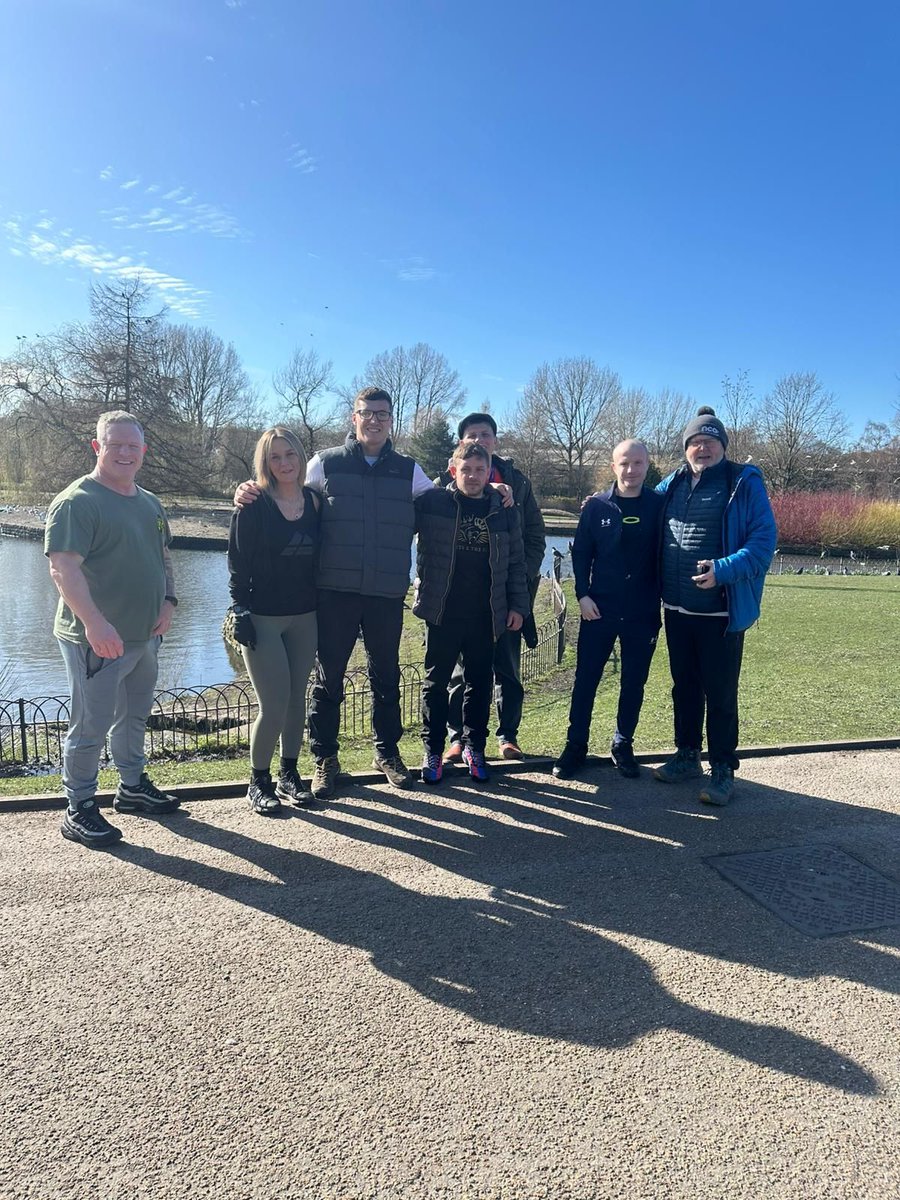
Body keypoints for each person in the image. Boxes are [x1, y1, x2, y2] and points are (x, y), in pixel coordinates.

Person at [234, 387, 434, 798]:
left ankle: (387, 752)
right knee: (329, 680)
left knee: (386, 677)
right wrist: (245, 491)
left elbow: (446, 506)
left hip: (384, 593)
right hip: (333, 593)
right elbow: (281, 491)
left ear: (391, 419)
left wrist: (496, 491)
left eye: (382, 413)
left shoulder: (409, 470)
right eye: (366, 413)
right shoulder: (324, 464)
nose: (374, 420)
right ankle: (324, 757)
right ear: (353, 417)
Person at [45, 410, 180, 848]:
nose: (124, 452)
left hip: (145, 634)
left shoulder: (150, 502)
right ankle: (79, 806)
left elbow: (163, 557)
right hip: (96, 639)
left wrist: (169, 601)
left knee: (134, 716)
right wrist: (95, 624)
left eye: (132, 446)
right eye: (115, 444)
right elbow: (63, 569)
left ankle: (132, 787)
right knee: (91, 724)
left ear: (144, 451)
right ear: (97, 447)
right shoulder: (77, 502)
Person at [653, 406, 776, 805]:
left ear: (722, 446)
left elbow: (762, 543)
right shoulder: (672, 483)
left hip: (720, 612)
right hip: (676, 608)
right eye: (695, 442)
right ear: (685, 448)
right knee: (684, 688)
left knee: (720, 694)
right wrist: (603, 504)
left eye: (709, 441)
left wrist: (721, 570)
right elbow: (636, 507)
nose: (702, 447)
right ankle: (687, 755)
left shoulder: (743, 482)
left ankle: (723, 769)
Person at [413, 442, 529, 784]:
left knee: (480, 683)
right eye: (466, 470)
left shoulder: (503, 509)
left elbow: (516, 561)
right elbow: (392, 511)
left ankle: (474, 746)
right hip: (443, 611)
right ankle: (433, 749)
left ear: (489, 471)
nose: (473, 476)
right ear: (453, 471)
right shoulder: (434, 503)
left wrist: (518, 606)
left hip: (486, 613)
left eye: (481, 470)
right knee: (436, 685)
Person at [552, 440, 664, 780]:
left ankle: (622, 744)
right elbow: (581, 554)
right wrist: (583, 595)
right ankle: (575, 746)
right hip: (597, 609)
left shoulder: (660, 505)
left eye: (638, 463)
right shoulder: (597, 506)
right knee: (586, 680)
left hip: (642, 611)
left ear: (647, 465)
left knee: (633, 682)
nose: (631, 470)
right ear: (614, 466)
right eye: (624, 463)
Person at [437, 413, 545, 761]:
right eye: (472, 435)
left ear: (495, 441)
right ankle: (457, 738)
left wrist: (518, 582)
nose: (480, 440)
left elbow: (534, 538)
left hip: (505, 595)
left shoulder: (518, 483)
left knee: (507, 668)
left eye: (486, 435)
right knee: (459, 672)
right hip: (459, 598)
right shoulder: (446, 482)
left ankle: (507, 735)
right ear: (460, 443)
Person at [227, 427, 320, 815]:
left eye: (290, 455)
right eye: (274, 457)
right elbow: (236, 562)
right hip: (263, 617)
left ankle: (289, 773)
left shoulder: (316, 502)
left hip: (306, 616)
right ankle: (258, 780)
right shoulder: (252, 504)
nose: (284, 463)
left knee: (297, 699)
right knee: (274, 702)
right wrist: (241, 610)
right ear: (264, 464)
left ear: (301, 458)